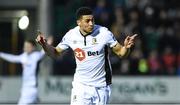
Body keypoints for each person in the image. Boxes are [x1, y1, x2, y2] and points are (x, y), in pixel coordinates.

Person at [36, 7, 137, 105]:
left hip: (101, 87)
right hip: (81, 86)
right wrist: (44, 45)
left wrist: (126, 47)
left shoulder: (104, 33)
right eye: (87, 21)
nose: (91, 23)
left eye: (92, 20)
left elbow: (121, 53)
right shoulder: (71, 35)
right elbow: (55, 53)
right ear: (79, 22)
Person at [0, 36, 53, 105]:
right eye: (25, 46)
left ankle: (34, 98)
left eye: (28, 46)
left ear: (33, 48)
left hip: (31, 88)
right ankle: (35, 99)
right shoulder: (23, 56)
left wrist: (47, 43)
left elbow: (43, 52)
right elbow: (12, 58)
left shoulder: (36, 56)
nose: (26, 48)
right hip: (24, 88)